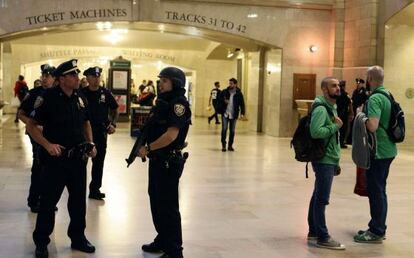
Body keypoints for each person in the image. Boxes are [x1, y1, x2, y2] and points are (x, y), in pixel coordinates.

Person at [26, 59, 97, 258]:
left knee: (77, 203)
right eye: (73, 75)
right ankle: (41, 242)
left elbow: (86, 122)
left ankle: (78, 237)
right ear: (62, 79)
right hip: (56, 161)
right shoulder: (47, 98)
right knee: (48, 203)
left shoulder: (80, 97)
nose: (77, 78)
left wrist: (91, 143)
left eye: (77, 74)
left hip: (78, 160)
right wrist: (47, 145)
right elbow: (31, 126)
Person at [137, 67, 191, 258]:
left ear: (175, 83)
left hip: (168, 161)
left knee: (168, 206)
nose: (160, 84)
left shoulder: (178, 104)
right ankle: (163, 239)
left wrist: (149, 148)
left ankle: (175, 250)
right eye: (160, 80)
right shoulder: (163, 102)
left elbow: (171, 135)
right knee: (157, 201)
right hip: (158, 160)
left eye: (165, 81)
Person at [353, 66, 397, 244]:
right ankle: (377, 226)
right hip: (388, 150)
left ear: (370, 78)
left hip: (379, 151)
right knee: (379, 190)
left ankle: (377, 230)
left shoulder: (377, 98)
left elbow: (372, 126)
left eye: (366, 77)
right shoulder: (388, 94)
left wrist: (360, 115)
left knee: (376, 191)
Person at [307, 77, 345, 250]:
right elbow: (315, 132)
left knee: (317, 195)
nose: (338, 88)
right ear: (324, 89)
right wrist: (335, 127)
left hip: (329, 158)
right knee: (322, 198)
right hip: (323, 160)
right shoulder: (322, 108)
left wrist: (336, 159)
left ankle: (314, 230)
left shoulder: (332, 106)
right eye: (333, 86)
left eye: (338, 86)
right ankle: (323, 236)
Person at [18, 64, 56, 213]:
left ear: (55, 78)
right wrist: (33, 125)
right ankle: (34, 200)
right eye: (43, 76)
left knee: (52, 169)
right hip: (37, 136)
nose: (44, 79)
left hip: (53, 136)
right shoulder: (34, 94)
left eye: (47, 76)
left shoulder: (58, 94)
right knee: (39, 166)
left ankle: (47, 200)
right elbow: (21, 113)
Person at [82, 66, 119, 200]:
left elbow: (115, 109)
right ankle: (79, 189)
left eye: (98, 77)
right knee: (82, 162)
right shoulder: (81, 93)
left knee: (98, 162)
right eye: (93, 77)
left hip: (100, 132)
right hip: (84, 133)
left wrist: (113, 124)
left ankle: (95, 190)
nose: (96, 79)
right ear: (87, 78)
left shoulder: (105, 93)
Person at [217, 78, 245, 152]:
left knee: (232, 131)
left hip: (234, 114)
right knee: (224, 130)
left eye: (231, 83)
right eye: (229, 83)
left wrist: (242, 113)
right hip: (225, 114)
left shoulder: (239, 93)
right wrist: (224, 101)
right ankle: (223, 145)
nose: (230, 85)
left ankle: (230, 145)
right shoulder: (224, 92)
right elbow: (218, 100)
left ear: (235, 84)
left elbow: (242, 104)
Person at [336, 80, 353, 148]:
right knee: (343, 128)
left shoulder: (337, 94)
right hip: (344, 113)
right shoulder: (346, 94)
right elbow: (350, 104)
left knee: (338, 128)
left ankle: (338, 142)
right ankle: (342, 142)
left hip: (337, 113)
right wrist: (352, 113)